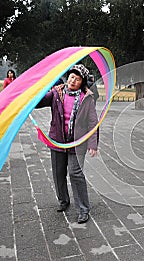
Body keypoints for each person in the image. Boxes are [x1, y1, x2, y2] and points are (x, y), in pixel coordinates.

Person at [36, 64, 98, 224]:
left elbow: (92, 121)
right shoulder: (57, 93)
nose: (73, 81)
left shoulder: (87, 98)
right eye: (71, 77)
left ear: (82, 82)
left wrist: (93, 144)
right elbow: (39, 102)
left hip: (77, 143)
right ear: (68, 77)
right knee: (58, 173)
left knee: (75, 173)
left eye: (77, 79)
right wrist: (35, 92)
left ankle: (83, 209)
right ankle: (63, 201)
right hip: (57, 139)